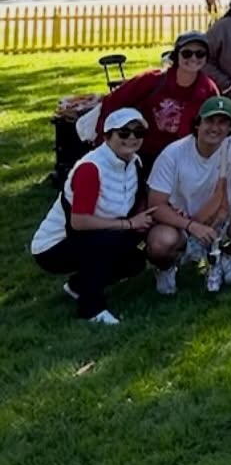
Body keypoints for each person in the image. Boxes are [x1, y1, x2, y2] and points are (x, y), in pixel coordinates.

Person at [31, 108, 172, 324]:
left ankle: (77, 286)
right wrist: (128, 224)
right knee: (108, 241)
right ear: (107, 137)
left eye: (138, 132)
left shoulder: (135, 162)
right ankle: (91, 309)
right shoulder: (90, 168)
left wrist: (156, 214)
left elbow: (133, 203)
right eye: (123, 133)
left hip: (94, 234)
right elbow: (79, 222)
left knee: (133, 262)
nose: (132, 138)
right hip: (54, 247)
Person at [146, 95, 231, 293]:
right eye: (209, 121)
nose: (215, 128)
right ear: (198, 123)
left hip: (221, 215)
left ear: (229, 128)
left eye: (223, 122)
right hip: (181, 221)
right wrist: (193, 226)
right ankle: (166, 268)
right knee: (160, 244)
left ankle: (226, 255)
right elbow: (156, 205)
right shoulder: (173, 153)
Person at [97, 32, 221, 166]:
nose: (193, 58)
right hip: (142, 154)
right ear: (176, 55)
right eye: (187, 53)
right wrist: (104, 144)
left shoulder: (208, 90)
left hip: (182, 159)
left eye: (200, 53)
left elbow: (215, 127)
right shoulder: (152, 80)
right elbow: (113, 102)